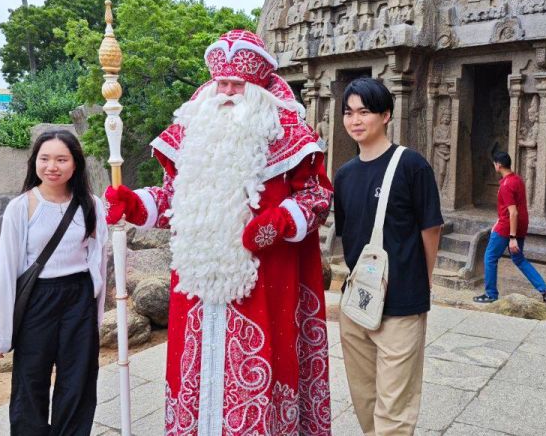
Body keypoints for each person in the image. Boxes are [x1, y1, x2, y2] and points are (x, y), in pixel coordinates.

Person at [103, 30, 333, 435]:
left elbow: (317, 197)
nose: (226, 92)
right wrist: (137, 204)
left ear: (258, 88)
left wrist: (276, 223)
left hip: (264, 281)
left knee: (261, 373)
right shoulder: (194, 131)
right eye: (220, 83)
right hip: (196, 287)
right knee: (196, 377)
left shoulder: (292, 136)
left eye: (236, 85)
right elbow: (173, 195)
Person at [333, 78, 443, 436]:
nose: (355, 120)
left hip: (402, 304)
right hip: (358, 303)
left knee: (395, 407)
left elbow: (430, 229)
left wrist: (424, 279)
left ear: (386, 114)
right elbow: (348, 234)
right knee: (364, 398)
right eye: (348, 112)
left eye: (364, 111)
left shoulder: (412, 165)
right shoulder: (345, 175)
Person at [0, 129, 109, 435]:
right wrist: (0, 334)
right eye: (45, 158)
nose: (52, 166)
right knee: (31, 378)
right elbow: (6, 271)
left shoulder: (91, 205)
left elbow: (98, 263)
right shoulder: (22, 206)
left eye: (61, 159)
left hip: (79, 297)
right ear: (35, 162)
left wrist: (95, 312)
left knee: (78, 379)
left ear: (75, 164)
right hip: (37, 298)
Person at [473, 146, 546, 304]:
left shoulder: (505, 186)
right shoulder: (517, 179)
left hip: (507, 228)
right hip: (519, 225)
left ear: (498, 165)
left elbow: (513, 212)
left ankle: (490, 294)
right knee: (518, 259)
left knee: (489, 257)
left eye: (494, 164)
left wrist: (512, 237)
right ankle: (545, 289)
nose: (494, 166)